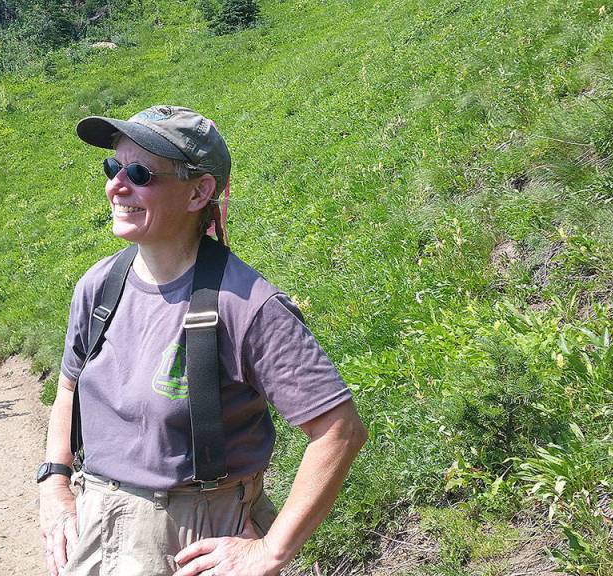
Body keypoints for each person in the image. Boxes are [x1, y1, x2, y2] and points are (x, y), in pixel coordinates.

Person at [37, 105, 367, 576]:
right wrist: (55, 485)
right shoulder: (98, 286)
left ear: (200, 192)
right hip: (95, 528)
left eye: (140, 172)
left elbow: (339, 430)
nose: (117, 184)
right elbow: (69, 388)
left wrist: (270, 551)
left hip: (190, 544)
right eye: (114, 167)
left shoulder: (247, 306)